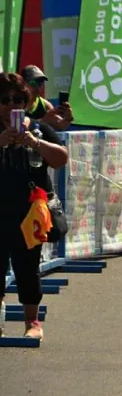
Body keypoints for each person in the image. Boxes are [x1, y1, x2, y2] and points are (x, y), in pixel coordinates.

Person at [0, 73, 68, 341]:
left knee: (28, 268)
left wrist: (34, 142)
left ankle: (32, 323)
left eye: (18, 99)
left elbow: (61, 158)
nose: (11, 105)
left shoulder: (37, 129)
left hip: (28, 212)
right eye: (5, 99)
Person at [21, 66, 72, 131]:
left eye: (40, 83)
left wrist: (68, 118)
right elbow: (16, 129)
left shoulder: (45, 105)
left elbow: (60, 125)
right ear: (22, 83)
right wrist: (43, 121)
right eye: (33, 83)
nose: (37, 87)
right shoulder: (15, 102)